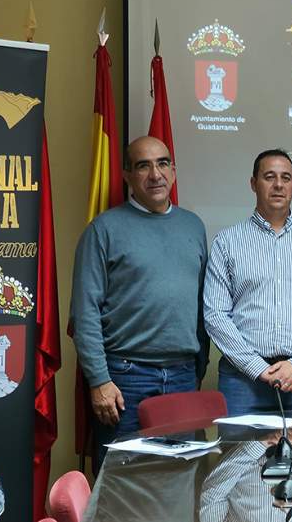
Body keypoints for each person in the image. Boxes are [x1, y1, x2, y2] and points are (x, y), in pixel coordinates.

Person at [71, 136, 209, 473]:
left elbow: (204, 306)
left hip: (181, 376)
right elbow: (84, 313)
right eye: (143, 165)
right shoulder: (103, 230)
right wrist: (99, 381)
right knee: (124, 485)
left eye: (162, 163)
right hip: (124, 380)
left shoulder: (193, 226)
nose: (155, 174)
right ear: (127, 175)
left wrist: (196, 368)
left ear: (173, 172)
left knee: (177, 481)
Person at [204, 149, 292, 418]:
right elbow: (216, 315)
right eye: (269, 177)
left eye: (286, 177)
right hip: (242, 380)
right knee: (239, 458)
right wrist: (256, 367)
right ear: (253, 184)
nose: (278, 184)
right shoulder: (227, 242)